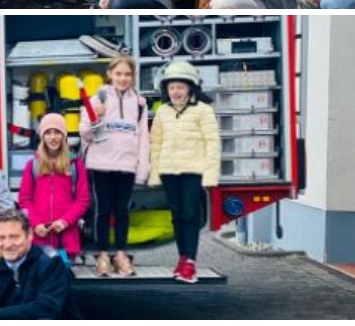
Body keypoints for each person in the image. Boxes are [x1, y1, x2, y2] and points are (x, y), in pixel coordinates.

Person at [148, 61, 219, 285]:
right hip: (169, 171)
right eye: (171, 87)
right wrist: (155, 172)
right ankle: (181, 258)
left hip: (192, 171)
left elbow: (212, 143)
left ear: (190, 87)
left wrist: (210, 175)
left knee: (190, 216)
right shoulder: (162, 112)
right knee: (177, 217)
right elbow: (155, 143)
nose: (176, 92)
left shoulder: (204, 110)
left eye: (180, 87)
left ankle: (191, 262)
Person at [80, 57, 149, 278]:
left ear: (133, 77)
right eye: (118, 73)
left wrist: (142, 169)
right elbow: (85, 134)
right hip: (101, 164)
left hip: (127, 166)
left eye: (127, 74)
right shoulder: (97, 99)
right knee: (102, 211)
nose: (123, 78)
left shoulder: (139, 103)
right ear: (110, 74)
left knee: (122, 212)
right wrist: (95, 117)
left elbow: (143, 138)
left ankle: (120, 255)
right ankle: (102, 256)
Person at [0, 209, 75, 320]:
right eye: (1, 238)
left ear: (30, 235)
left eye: (14, 237)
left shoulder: (51, 263)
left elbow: (47, 308)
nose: (7, 244)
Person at [18, 113, 90, 262]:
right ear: (42, 136)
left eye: (57, 132)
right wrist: (36, 223)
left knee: (62, 278)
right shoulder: (33, 165)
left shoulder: (75, 164)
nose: (53, 137)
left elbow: (82, 200)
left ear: (64, 136)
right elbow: (24, 200)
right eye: (48, 133)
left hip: (67, 239)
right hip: (40, 239)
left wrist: (65, 221)